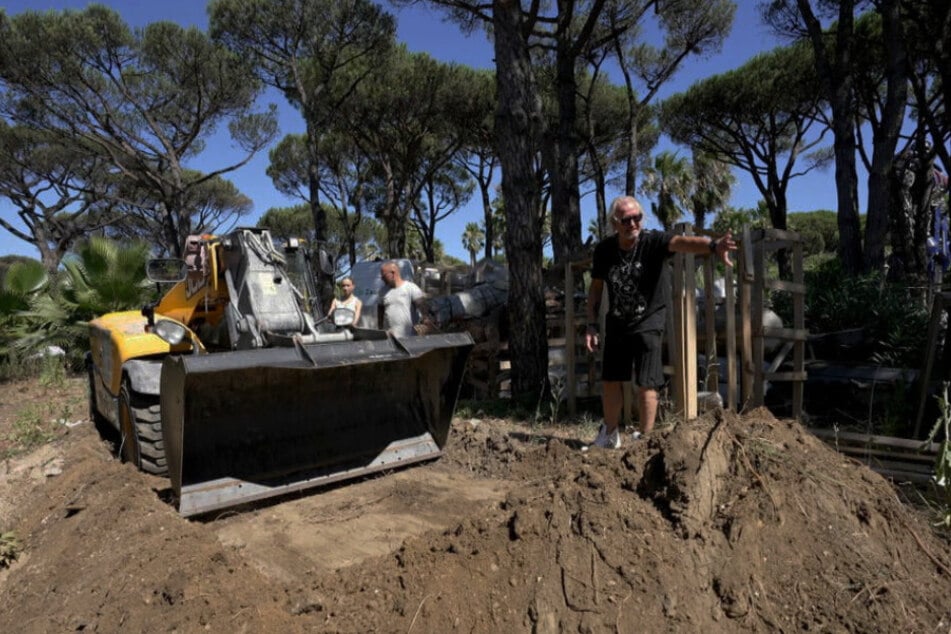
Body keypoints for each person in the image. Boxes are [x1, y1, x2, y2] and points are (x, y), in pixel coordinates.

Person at [584, 195, 737, 450]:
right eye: (626, 219)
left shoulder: (653, 241)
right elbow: (596, 289)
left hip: (649, 319)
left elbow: (682, 242)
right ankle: (610, 434)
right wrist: (591, 324)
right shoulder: (604, 251)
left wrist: (712, 246)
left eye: (637, 218)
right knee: (611, 379)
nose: (633, 223)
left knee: (647, 381)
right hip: (618, 322)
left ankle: (645, 441)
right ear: (614, 223)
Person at [377, 261, 429, 337]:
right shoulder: (382, 291)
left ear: (393, 273)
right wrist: (380, 328)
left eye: (383, 276)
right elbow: (380, 310)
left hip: (409, 336)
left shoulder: (410, 288)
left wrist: (425, 318)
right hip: (390, 337)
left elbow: (421, 304)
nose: (382, 279)